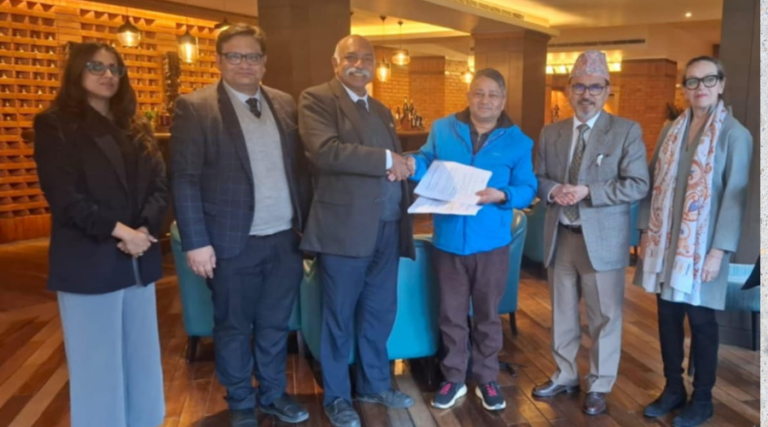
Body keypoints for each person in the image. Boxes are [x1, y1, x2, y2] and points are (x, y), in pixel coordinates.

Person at [171, 24, 311, 427]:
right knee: (233, 326)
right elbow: (184, 178)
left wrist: (306, 226)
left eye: (252, 56)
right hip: (230, 242)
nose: (244, 64)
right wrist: (196, 242)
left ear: (264, 62)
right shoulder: (196, 107)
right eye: (234, 56)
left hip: (284, 238)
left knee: (275, 324)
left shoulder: (284, 103)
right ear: (219, 60)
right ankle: (240, 402)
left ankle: (272, 393)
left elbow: (299, 170)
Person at [33, 42, 168, 427]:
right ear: (77, 71)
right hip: (89, 258)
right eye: (96, 66)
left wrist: (144, 229)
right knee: (97, 365)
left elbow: (160, 184)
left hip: (138, 256)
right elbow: (65, 197)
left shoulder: (135, 124)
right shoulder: (55, 125)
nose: (107, 75)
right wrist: (122, 231)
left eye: (114, 68)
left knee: (142, 358)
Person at [298, 34, 415, 427]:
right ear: (336, 62)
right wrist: (387, 158)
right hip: (343, 231)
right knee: (338, 317)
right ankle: (337, 396)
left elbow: (390, 165)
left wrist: (403, 164)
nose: (359, 64)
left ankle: (374, 384)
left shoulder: (380, 110)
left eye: (367, 58)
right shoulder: (317, 99)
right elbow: (325, 151)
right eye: (351, 57)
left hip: (388, 226)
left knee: (379, 313)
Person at [406, 68, 536, 411]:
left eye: (493, 95)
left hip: (491, 244)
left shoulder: (519, 141)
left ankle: (487, 378)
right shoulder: (443, 129)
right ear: (468, 96)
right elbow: (425, 160)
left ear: (503, 100)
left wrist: (502, 195)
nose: (485, 100)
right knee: (450, 314)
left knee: (487, 315)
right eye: (478, 93)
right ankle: (453, 377)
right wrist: (412, 164)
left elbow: (528, 187)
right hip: (448, 240)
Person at [636, 56, 753, 427]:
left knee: (701, 322)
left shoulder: (735, 134)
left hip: (704, 249)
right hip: (664, 244)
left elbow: (735, 196)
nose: (700, 87)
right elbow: (653, 183)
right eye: (692, 81)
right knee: (667, 316)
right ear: (684, 88)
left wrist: (719, 251)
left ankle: (702, 399)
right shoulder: (671, 130)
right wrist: (644, 231)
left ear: (721, 84)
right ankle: (673, 388)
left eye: (708, 80)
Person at [533, 50, 649, 415]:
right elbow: (537, 177)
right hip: (560, 236)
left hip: (602, 240)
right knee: (562, 312)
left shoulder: (626, 130)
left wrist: (589, 191)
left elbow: (638, 184)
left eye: (595, 87)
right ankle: (565, 374)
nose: (587, 94)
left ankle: (599, 384)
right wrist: (553, 189)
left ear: (607, 89)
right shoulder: (551, 132)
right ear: (569, 90)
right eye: (580, 87)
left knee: (604, 316)